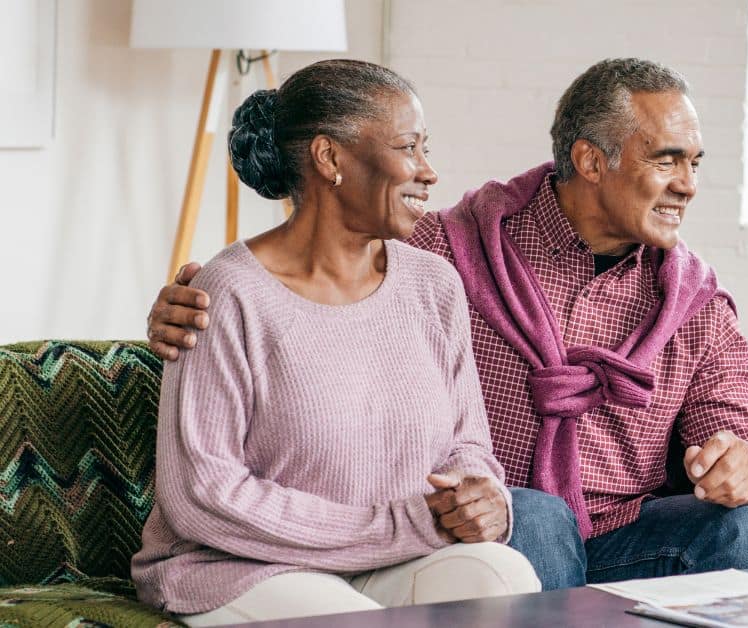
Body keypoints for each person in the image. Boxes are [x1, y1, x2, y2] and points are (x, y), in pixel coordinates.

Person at [146, 58, 748, 590]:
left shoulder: (696, 304)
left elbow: (747, 437)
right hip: (499, 529)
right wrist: (200, 296)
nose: (688, 185)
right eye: (667, 160)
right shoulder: (449, 250)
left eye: (695, 164)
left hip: (627, 537)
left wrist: (747, 471)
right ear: (592, 162)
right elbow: (321, 271)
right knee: (536, 516)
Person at [131, 59, 539, 625]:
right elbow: (204, 495)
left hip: (392, 558)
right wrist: (401, 525)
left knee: (507, 579)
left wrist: (480, 496)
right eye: (408, 147)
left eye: (427, 148)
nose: (428, 171)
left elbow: (467, 446)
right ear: (330, 158)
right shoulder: (227, 294)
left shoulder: (434, 285)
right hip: (241, 566)